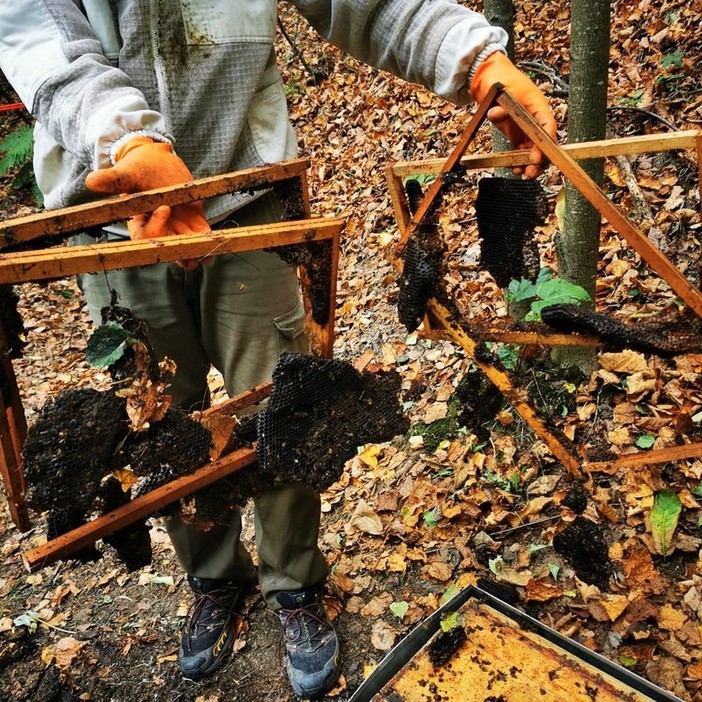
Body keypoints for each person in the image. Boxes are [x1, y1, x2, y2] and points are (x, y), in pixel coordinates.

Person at [0, 1, 556, 698]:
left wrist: (476, 59)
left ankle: (294, 584)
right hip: (114, 218)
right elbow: (42, 45)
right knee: (158, 430)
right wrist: (126, 140)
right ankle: (214, 578)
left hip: (253, 202)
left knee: (285, 405)